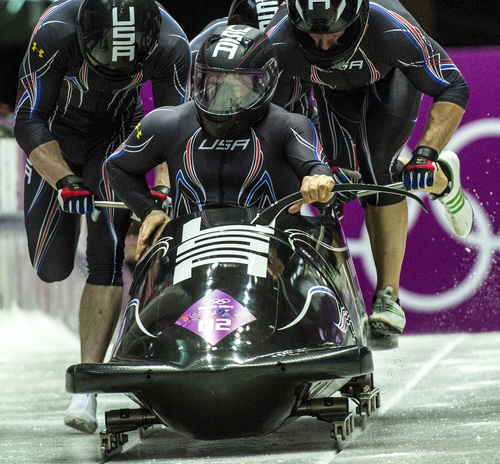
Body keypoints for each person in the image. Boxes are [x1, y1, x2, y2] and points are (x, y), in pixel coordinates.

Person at [13, 0, 191, 433]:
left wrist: (163, 189)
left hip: (115, 138)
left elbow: (176, 125)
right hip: (55, 134)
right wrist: (65, 181)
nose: (115, 68)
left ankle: (86, 390)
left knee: (106, 257)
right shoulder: (53, 32)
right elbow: (28, 119)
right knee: (51, 267)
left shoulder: (172, 44)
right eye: (106, 54)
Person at [265, 0, 474, 337]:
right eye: (311, 33)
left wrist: (425, 153)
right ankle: (443, 181)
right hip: (330, 90)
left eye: (333, 32)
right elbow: (265, 117)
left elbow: (453, 86)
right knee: (343, 176)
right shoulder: (278, 41)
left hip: (389, 80)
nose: (323, 43)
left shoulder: (390, 31)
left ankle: (388, 297)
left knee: (378, 165)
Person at [106, 24, 335, 262]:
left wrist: (319, 180)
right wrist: (149, 210)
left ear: (266, 82)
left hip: (270, 264)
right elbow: (117, 166)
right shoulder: (166, 123)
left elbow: (315, 167)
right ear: (199, 78)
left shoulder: (289, 126)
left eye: (239, 82)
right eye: (214, 80)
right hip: (189, 262)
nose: (224, 96)